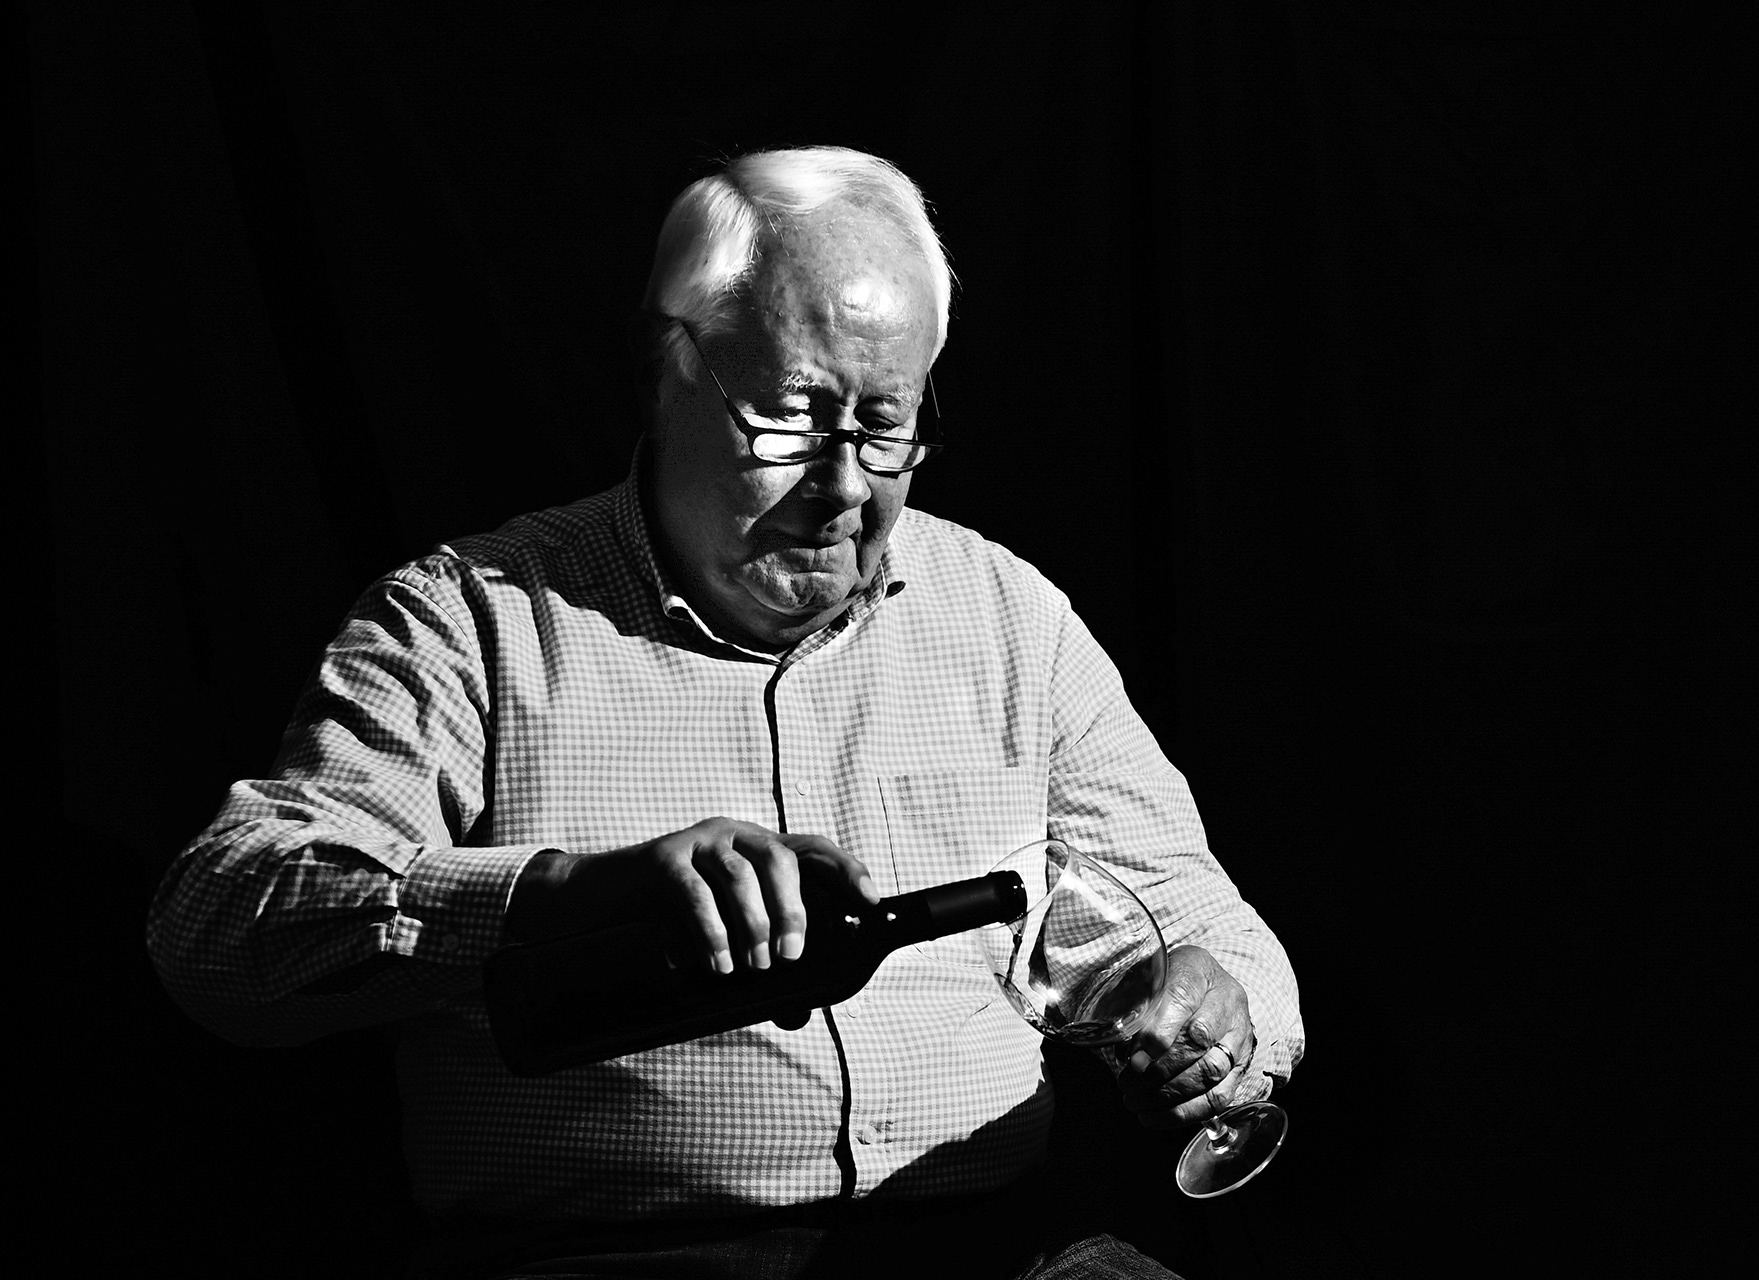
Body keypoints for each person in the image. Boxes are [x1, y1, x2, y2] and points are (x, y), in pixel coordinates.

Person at [148, 146, 1304, 1278]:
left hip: (998, 1242)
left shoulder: (1008, 615)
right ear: (667, 371)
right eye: (794, 417)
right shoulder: (473, 619)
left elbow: (1198, 918)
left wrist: (1219, 1006)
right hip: (613, 1254)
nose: (845, 485)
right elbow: (218, 928)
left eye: (885, 423)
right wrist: (565, 894)